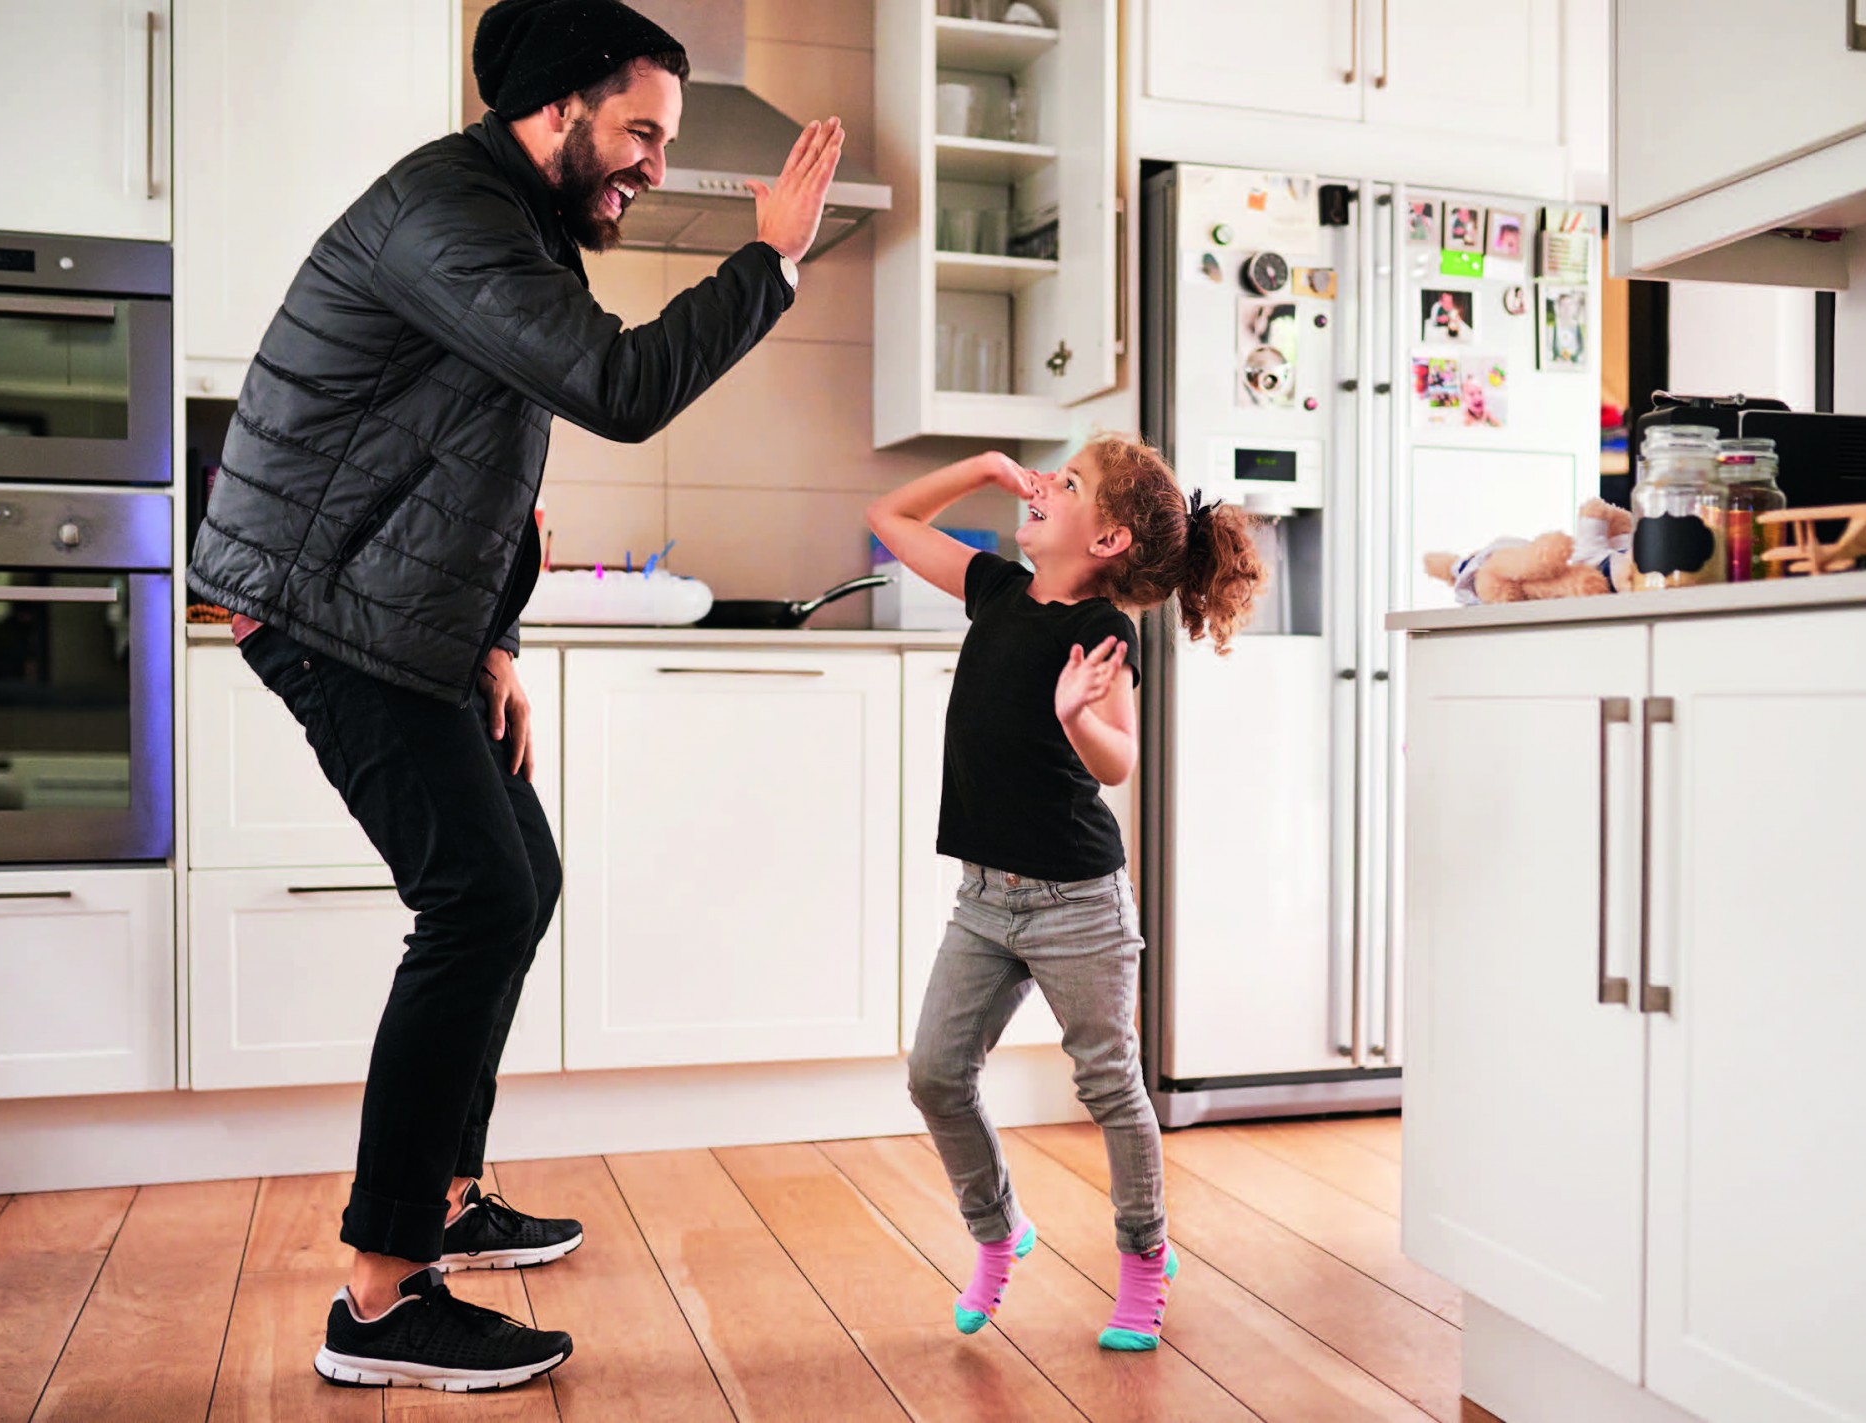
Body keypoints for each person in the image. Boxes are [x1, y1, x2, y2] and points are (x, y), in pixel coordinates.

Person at [185, 0, 843, 1393]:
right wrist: (771, 260)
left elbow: (481, 473)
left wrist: (494, 642)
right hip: (321, 603)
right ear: (556, 108)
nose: (655, 163)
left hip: (395, 612)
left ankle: (445, 1191)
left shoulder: (516, 223)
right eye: (641, 131)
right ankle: (380, 1297)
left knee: (518, 876)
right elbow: (615, 385)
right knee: (478, 896)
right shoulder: (451, 213)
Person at [864, 437, 1267, 1351]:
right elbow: (889, 518)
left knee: (1109, 1085)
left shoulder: (1103, 633)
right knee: (936, 1074)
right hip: (984, 900)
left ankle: (1144, 1260)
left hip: (1077, 902)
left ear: (1108, 539)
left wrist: (1076, 714)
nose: (1047, 484)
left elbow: (1118, 761)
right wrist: (985, 468)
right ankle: (999, 1228)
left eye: (1070, 482)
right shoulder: (995, 589)